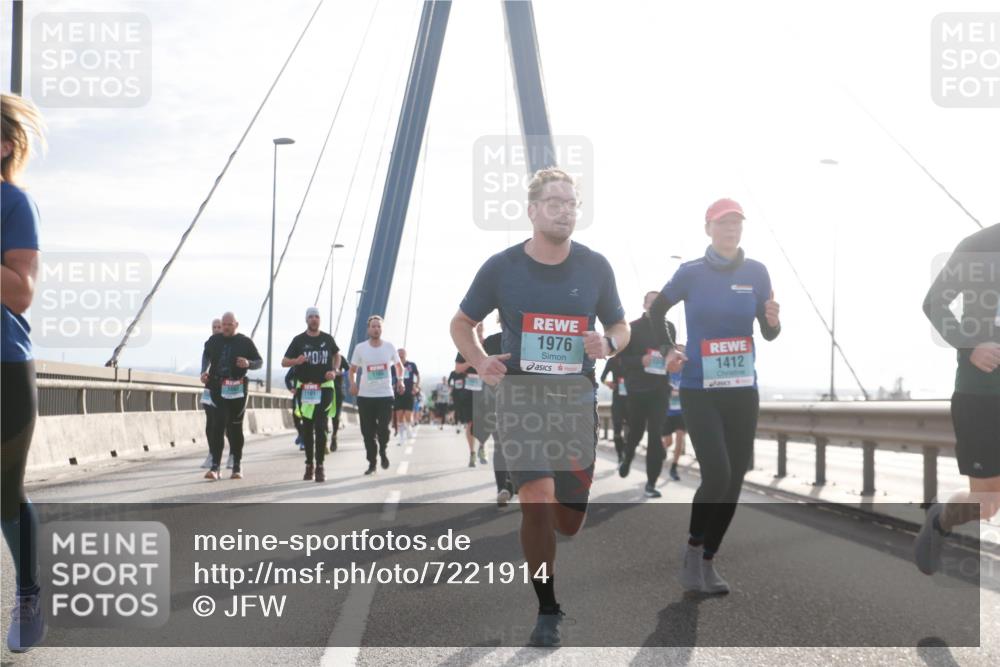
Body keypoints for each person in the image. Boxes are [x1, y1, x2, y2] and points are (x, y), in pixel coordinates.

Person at [451, 168, 629, 647]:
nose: (564, 210)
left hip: (574, 404)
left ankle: (548, 522)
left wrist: (607, 342)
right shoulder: (502, 267)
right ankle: (548, 608)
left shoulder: (595, 267)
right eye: (554, 202)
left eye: (571, 203)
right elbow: (462, 322)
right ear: (532, 210)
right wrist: (479, 360)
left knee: (568, 520)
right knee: (535, 500)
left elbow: (621, 325)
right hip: (520, 401)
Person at [649, 197, 781, 595]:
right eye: (723, 223)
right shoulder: (690, 272)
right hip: (699, 388)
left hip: (742, 388)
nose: (731, 228)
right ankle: (692, 552)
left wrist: (773, 320)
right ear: (708, 228)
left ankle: (708, 561)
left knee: (735, 478)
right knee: (718, 473)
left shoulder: (757, 272)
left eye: (737, 222)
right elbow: (657, 313)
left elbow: (769, 331)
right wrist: (669, 350)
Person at [915, 222, 1000, 574]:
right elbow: (934, 303)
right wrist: (970, 345)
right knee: (987, 503)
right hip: (980, 396)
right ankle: (941, 520)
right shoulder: (977, 246)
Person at [1, 92, 47, 652]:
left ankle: (29, 594)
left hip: (4, 368)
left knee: (4, 495)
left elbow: (20, 292)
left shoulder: (14, 204)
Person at [618, 291, 678, 498]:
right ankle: (627, 456)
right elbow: (622, 361)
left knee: (655, 436)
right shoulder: (632, 328)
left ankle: (651, 483)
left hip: (660, 390)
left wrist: (673, 363)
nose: (654, 306)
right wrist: (640, 361)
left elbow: (670, 355)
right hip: (637, 390)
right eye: (651, 303)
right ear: (644, 305)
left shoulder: (669, 328)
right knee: (635, 432)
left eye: (658, 302)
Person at [200, 312, 263, 480]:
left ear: (236, 324)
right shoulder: (214, 341)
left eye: (229, 324)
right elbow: (206, 355)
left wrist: (248, 363)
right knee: (217, 426)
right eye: (223, 324)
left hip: (237, 388)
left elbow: (259, 361)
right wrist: (204, 371)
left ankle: (237, 465)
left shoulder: (245, 342)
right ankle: (215, 468)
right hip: (218, 387)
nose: (226, 327)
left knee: (235, 428)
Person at [282, 307, 340, 482]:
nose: (314, 319)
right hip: (305, 389)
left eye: (317, 317)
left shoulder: (327, 339)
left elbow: (337, 354)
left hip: (324, 388)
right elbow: (284, 362)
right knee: (307, 427)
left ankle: (320, 466)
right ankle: (309, 465)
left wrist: (334, 370)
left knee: (321, 426)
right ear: (306, 320)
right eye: (311, 317)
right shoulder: (298, 340)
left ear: (319, 320)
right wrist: (296, 361)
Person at [350, 315, 404, 475]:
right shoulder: (360, 348)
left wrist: (400, 381)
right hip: (365, 396)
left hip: (385, 395)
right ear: (368, 329)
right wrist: (353, 384)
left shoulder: (389, 347)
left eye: (379, 326)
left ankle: (383, 450)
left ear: (382, 329)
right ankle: (372, 463)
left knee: (383, 429)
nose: (376, 329)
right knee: (367, 433)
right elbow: (352, 370)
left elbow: (400, 366)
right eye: (373, 326)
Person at [455, 323, 492, 468]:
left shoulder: (490, 344)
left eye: (481, 325)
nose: (479, 327)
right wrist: (470, 362)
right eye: (476, 325)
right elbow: (457, 369)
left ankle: (482, 446)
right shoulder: (465, 346)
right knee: (470, 423)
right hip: (470, 390)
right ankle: (472, 453)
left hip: (487, 389)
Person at [200, 318, 223, 468]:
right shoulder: (209, 343)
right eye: (214, 327)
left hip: (226, 387)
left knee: (224, 423)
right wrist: (203, 372)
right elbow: (205, 358)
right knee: (210, 422)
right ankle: (212, 453)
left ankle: (233, 453)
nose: (216, 329)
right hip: (210, 385)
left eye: (219, 327)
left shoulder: (231, 343)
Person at [600, 353, 628, 463]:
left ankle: (626, 451)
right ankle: (620, 454)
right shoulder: (611, 361)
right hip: (617, 399)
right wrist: (609, 384)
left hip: (631, 399)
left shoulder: (631, 359)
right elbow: (602, 378)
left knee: (630, 430)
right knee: (617, 429)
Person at [662, 367, 687, 481]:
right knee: (669, 442)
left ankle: (674, 467)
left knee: (680, 439)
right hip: (667, 413)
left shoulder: (684, 374)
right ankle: (658, 452)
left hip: (680, 413)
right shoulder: (665, 373)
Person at [393, 348, 420, 445]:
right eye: (399, 354)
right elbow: (391, 379)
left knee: (408, 416)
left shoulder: (411, 365)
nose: (401, 355)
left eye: (402, 354)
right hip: (398, 394)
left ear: (406, 354)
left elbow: (418, 375)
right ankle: (401, 437)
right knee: (399, 416)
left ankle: (408, 429)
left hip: (409, 393)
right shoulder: (394, 366)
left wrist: (416, 386)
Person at [330, 355, 349, 452]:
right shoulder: (323, 355)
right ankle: (323, 438)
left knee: (335, 417)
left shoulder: (341, 358)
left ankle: (334, 436)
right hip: (323, 390)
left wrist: (341, 373)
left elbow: (349, 371)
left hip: (337, 391)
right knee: (322, 417)